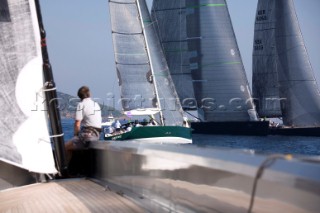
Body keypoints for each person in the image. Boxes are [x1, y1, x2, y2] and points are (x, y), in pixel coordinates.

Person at [65, 86, 102, 162]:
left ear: (79, 96)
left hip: (88, 134)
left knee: (66, 147)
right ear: (89, 94)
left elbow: (77, 123)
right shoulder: (96, 104)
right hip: (97, 135)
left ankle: (65, 170)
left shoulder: (81, 105)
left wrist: (75, 135)